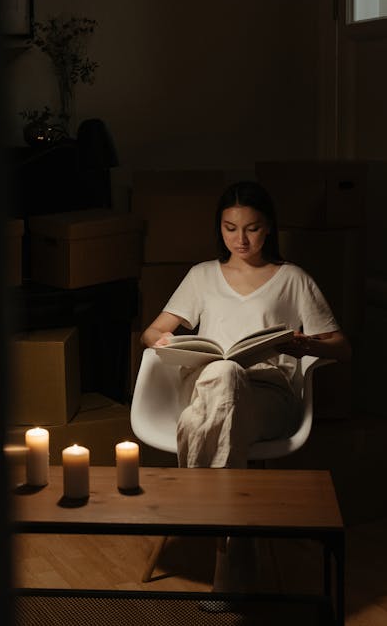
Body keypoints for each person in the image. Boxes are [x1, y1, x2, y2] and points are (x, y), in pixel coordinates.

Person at [140, 180, 351, 597]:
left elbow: (342, 348)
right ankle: (233, 549)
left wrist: (303, 343)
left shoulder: (293, 279)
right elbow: (151, 332)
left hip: (268, 397)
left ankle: (208, 522)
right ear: (218, 228)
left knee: (230, 377)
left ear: (269, 227)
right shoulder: (201, 276)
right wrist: (164, 342)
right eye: (229, 227)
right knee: (221, 374)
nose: (240, 239)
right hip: (208, 393)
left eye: (251, 228)